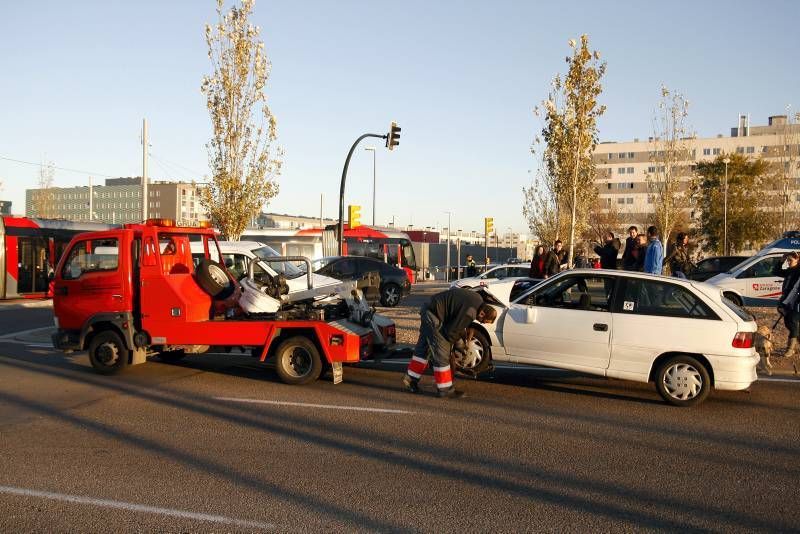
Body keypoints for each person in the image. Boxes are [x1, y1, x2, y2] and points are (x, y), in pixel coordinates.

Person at [402, 288, 498, 397]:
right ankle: (445, 389)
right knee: (442, 351)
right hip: (434, 316)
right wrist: (458, 346)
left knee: (424, 348)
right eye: (483, 321)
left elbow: (457, 320)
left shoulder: (478, 300)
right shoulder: (471, 312)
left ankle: (410, 379)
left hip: (429, 309)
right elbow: (451, 333)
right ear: (482, 313)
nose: (481, 323)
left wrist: (459, 340)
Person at [773, 252, 800, 370]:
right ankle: (796, 344)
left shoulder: (799, 270)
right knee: (788, 323)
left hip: (796, 302)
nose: (788, 262)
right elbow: (776, 272)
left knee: (793, 322)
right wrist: (781, 261)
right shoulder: (789, 270)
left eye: (790, 260)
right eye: (787, 260)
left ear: (797, 260)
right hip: (786, 300)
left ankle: (790, 349)